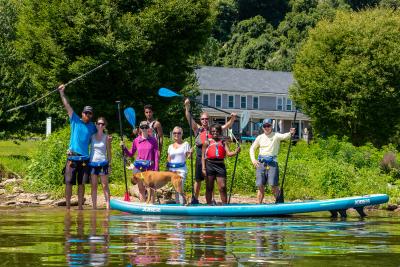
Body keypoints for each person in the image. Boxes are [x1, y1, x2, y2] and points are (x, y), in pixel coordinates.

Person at [184, 98, 237, 203]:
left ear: (209, 120)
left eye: (206, 119)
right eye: (203, 119)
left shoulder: (214, 129)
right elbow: (189, 118)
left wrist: (233, 118)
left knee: (210, 181)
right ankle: (195, 198)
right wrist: (187, 107)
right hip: (200, 156)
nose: (205, 121)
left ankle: (212, 199)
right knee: (198, 180)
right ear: (200, 120)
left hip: (211, 159)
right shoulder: (197, 129)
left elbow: (227, 125)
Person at [59, 84, 96, 210]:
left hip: (85, 159)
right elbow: (67, 106)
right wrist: (62, 93)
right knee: (69, 183)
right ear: (82, 113)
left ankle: (80, 208)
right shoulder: (75, 119)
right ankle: (68, 208)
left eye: (90, 114)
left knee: (81, 184)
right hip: (72, 157)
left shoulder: (93, 126)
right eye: (86, 113)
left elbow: (101, 134)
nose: (88, 115)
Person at [249, 118, 295, 204]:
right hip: (261, 163)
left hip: (272, 163)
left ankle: (279, 204)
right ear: (262, 127)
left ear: (271, 126)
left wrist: (291, 133)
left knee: (273, 185)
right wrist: (253, 160)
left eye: (268, 126)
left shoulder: (276, 135)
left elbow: (286, 136)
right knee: (260, 185)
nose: (266, 128)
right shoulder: (259, 137)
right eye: (265, 126)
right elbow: (252, 148)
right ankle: (258, 206)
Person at [201, 124, 240, 205]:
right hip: (209, 165)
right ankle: (208, 205)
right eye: (213, 131)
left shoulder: (223, 142)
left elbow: (228, 153)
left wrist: (236, 152)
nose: (215, 133)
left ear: (220, 132)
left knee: (222, 187)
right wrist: (203, 168)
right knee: (209, 187)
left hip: (220, 166)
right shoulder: (206, 142)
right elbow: (203, 156)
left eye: (217, 131)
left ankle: (224, 205)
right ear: (211, 132)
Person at [121, 121, 159, 202]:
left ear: (148, 127)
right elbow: (131, 154)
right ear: (140, 129)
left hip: (150, 168)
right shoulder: (136, 140)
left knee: (151, 188)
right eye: (142, 127)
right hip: (139, 168)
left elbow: (156, 156)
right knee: (141, 189)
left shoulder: (153, 140)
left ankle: (152, 205)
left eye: (146, 127)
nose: (144, 129)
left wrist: (156, 169)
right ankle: (142, 206)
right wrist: (124, 148)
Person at [89, 117, 112, 210]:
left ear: (105, 126)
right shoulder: (92, 136)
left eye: (102, 124)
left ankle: (108, 207)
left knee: (105, 185)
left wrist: (110, 164)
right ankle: (94, 207)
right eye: (99, 123)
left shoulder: (106, 137)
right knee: (94, 185)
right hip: (93, 163)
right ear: (96, 124)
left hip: (103, 163)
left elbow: (109, 151)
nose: (100, 125)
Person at [167, 126, 191, 204]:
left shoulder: (185, 144)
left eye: (178, 133)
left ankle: (182, 205)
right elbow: (169, 159)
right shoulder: (170, 146)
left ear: (182, 134)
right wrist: (169, 170)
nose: (176, 134)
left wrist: (190, 153)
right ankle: (179, 205)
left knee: (179, 188)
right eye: (174, 133)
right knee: (176, 190)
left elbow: (188, 157)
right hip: (172, 171)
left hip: (181, 170)